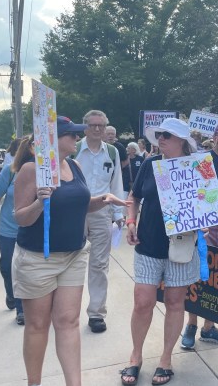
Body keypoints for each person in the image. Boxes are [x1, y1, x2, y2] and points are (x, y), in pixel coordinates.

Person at [13, 116, 127, 386]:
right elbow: (21, 218)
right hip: (38, 259)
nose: (77, 138)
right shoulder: (32, 170)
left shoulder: (74, 166)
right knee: (38, 326)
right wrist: (41, 202)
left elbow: (80, 204)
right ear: (53, 140)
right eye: (71, 135)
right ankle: (34, 382)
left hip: (74, 255)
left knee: (68, 321)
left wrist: (103, 200)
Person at [121, 118, 201, 386]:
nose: (161, 138)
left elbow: (208, 205)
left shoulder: (198, 168)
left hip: (180, 244)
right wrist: (131, 222)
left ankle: (166, 359)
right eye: (159, 134)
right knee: (142, 301)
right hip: (149, 242)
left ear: (182, 141)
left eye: (167, 135)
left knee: (175, 302)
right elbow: (134, 197)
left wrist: (206, 222)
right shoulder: (149, 164)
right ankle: (135, 356)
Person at [181, 121, 218, 349]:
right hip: (202, 224)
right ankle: (191, 325)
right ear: (215, 138)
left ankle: (208, 328)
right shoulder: (202, 160)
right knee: (199, 274)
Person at [75, 109, 125, 333]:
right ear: (85, 127)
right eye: (93, 125)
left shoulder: (112, 152)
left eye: (101, 126)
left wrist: (118, 214)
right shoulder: (74, 151)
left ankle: (96, 313)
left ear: (106, 128)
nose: (97, 129)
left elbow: (116, 184)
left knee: (99, 264)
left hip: (102, 211)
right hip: (75, 211)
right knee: (70, 260)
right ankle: (66, 310)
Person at [0, 135, 35, 325]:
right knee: (7, 266)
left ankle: (22, 309)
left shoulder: (45, 173)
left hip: (31, 229)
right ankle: (11, 295)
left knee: (24, 270)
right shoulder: (10, 172)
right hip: (8, 229)